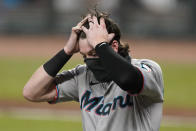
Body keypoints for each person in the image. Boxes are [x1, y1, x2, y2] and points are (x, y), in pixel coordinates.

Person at [23, 10, 164, 131]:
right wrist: (66, 52)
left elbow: (128, 79)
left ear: (113, 46)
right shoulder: (82, 76)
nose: (89, 62)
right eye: (84, 56)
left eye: (94, 53)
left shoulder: (148, 68)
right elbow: (31, 92)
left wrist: (100, 44)